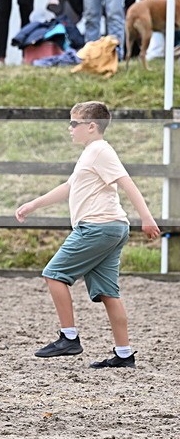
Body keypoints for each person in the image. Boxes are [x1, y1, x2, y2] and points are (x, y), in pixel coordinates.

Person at [15, 101, 160, 368]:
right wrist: (33, 205)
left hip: (97, 227)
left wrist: (147, 217)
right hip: (111, 228)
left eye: (74, 123)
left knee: (53, 274)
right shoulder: (90, 153)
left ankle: (69, 337)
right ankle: (124, 354)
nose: (70, 128)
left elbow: (127, 182)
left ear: (91, 126)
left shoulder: (100, 150)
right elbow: (69, 187)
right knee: (108, 293)